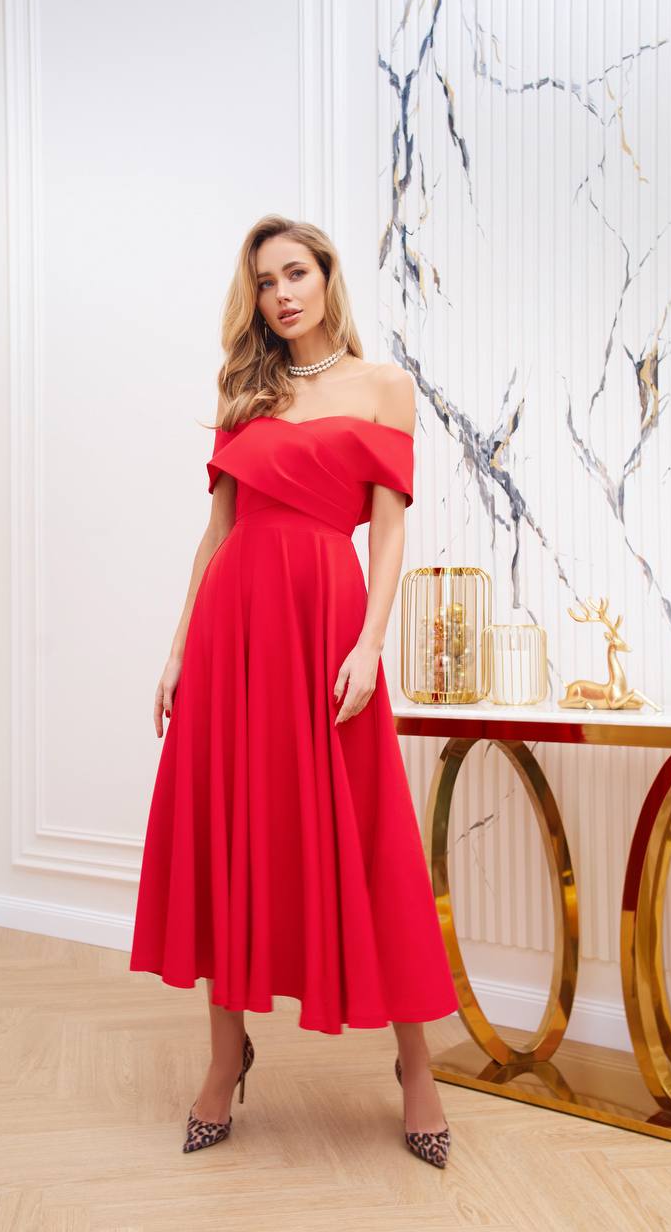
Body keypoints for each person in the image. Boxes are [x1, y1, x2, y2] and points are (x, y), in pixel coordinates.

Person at [130, 214, 459, 1167]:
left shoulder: (382, 384)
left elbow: (388, 531)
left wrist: (368, 643)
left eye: (295, 273)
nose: (281, 294)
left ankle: (416, 1067)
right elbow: (219, 532)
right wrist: (179, 647)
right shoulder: (247, 390)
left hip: (325, 624)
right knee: (231, 828)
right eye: (265, 281)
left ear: (326, 276)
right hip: (234, 631)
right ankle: (224, 1057)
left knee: (367, 836)